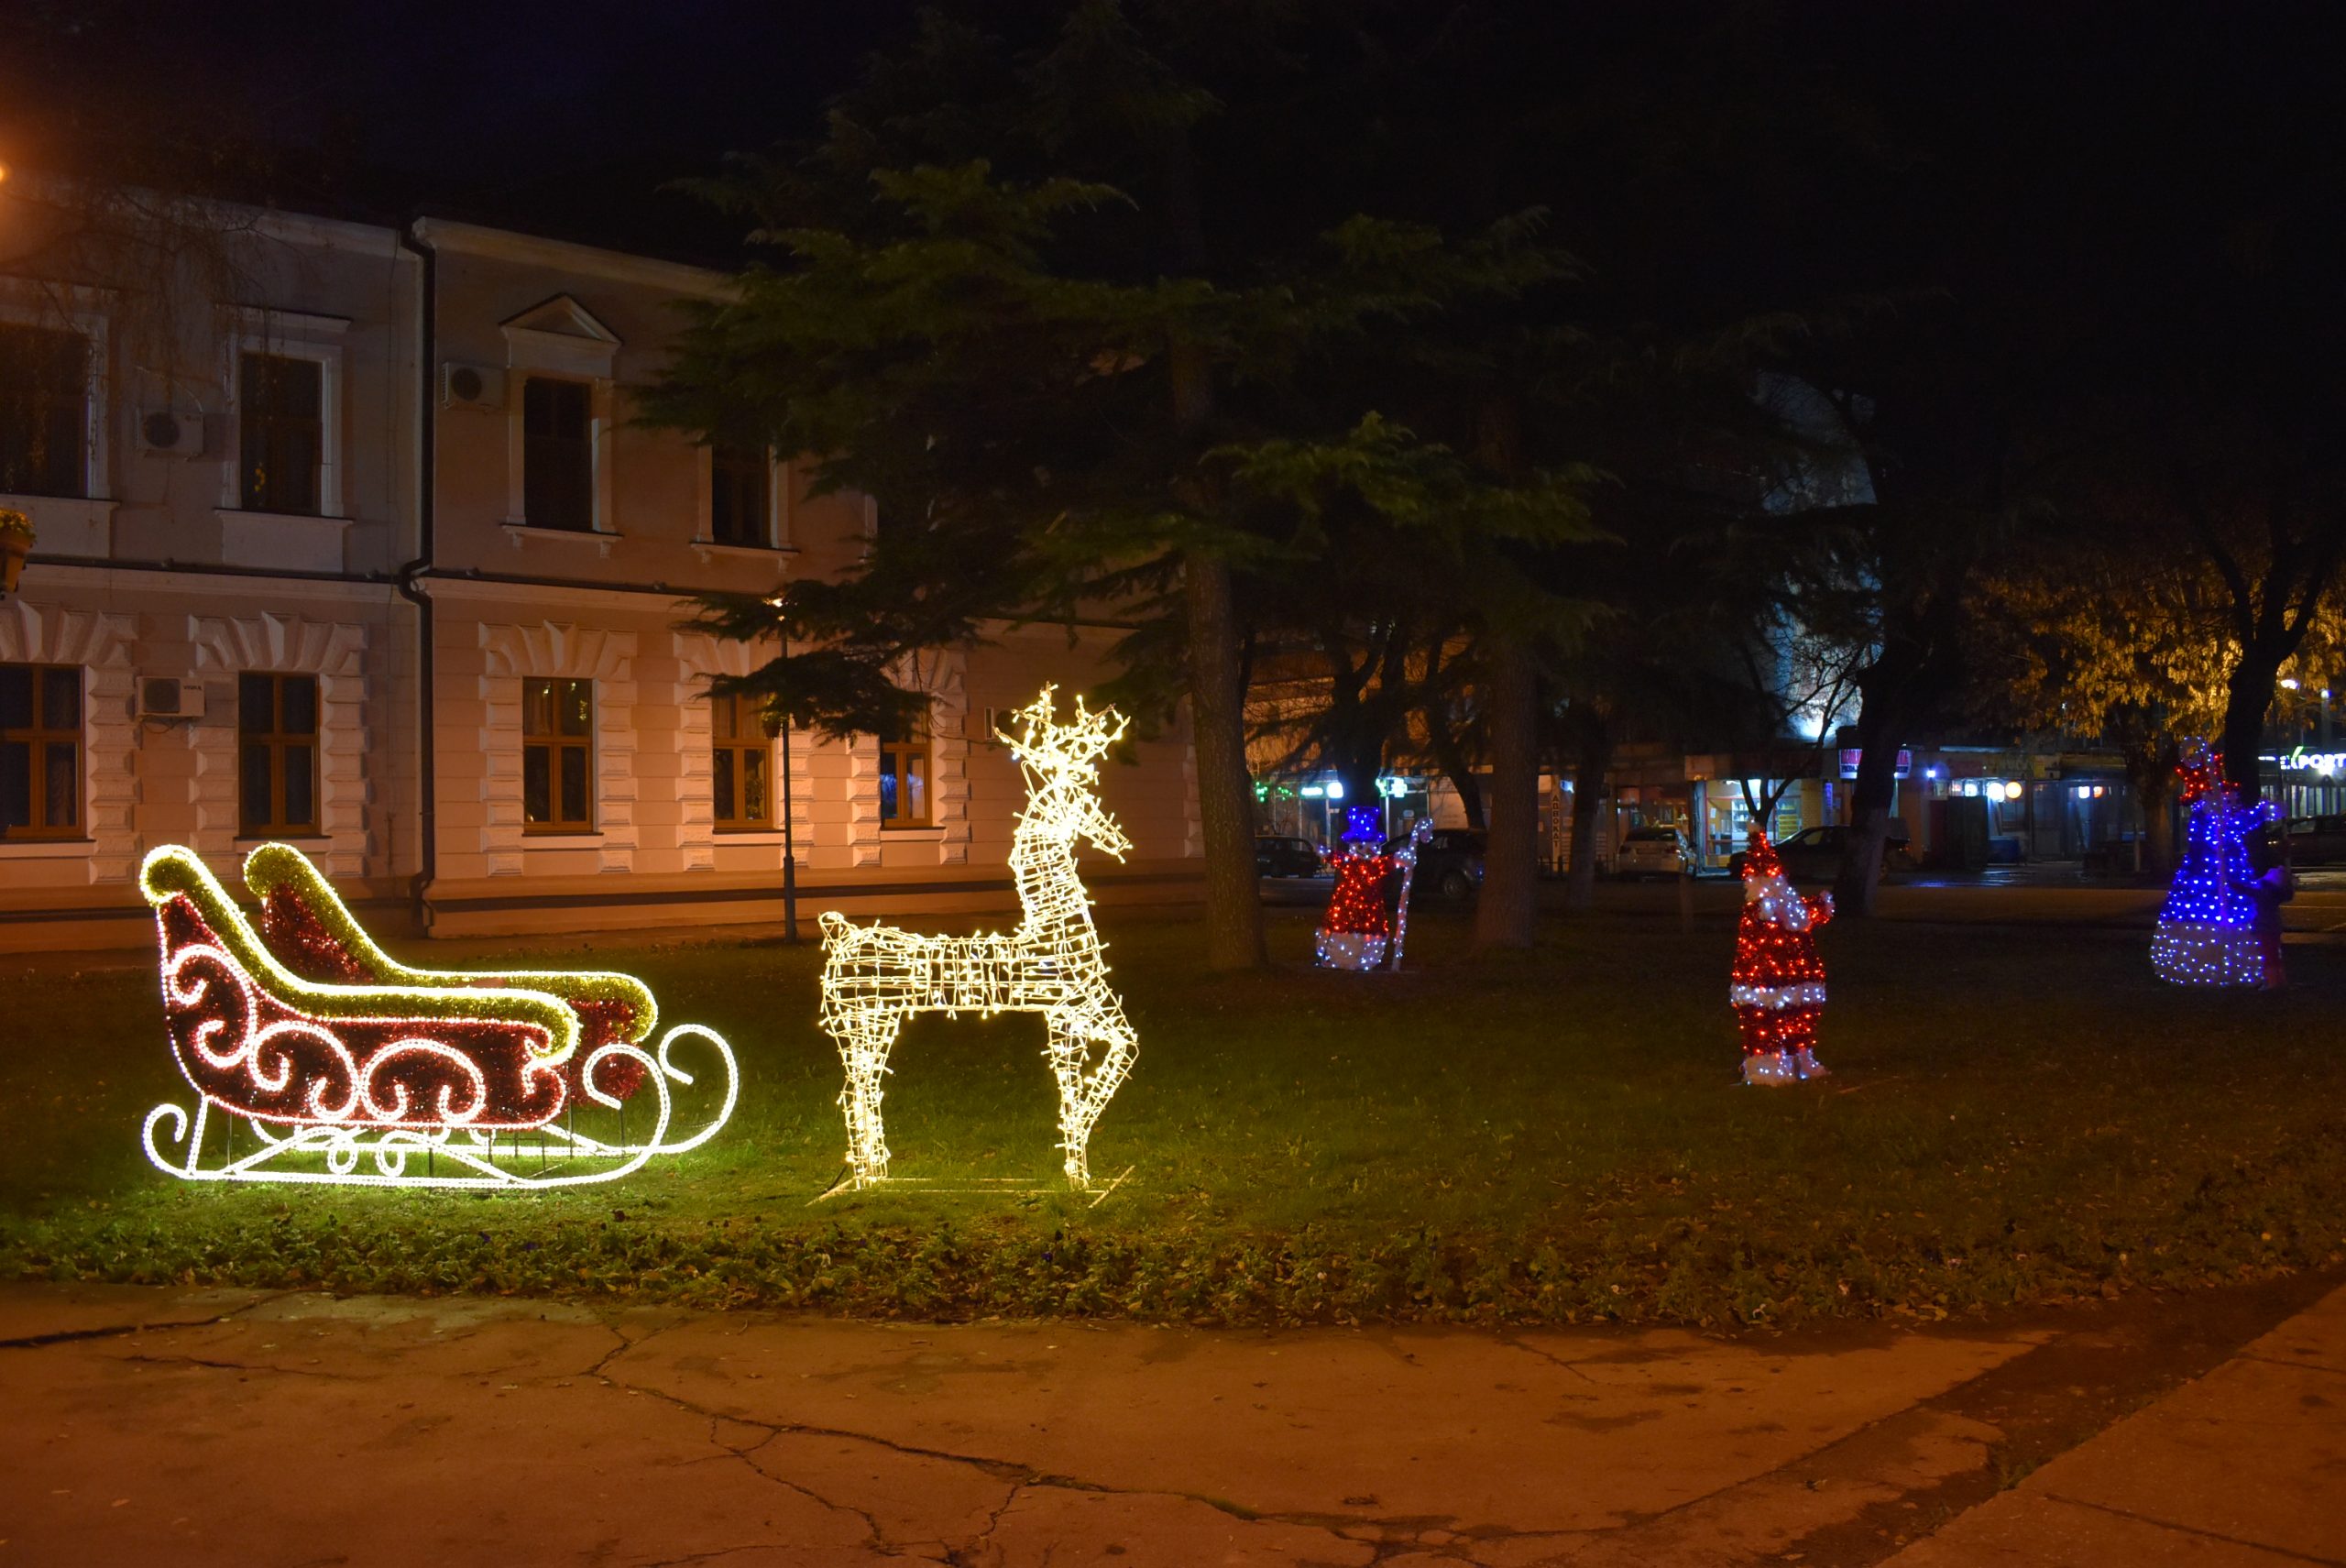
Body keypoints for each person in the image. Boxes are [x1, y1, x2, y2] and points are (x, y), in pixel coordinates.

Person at [1731, 828, 1834, 1085]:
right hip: (1767, 986)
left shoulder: (1787, 905)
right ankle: (1770, 1064)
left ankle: (1799, 1057)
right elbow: (1787, 922)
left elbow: (1802, 915)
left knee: (1798, 1022)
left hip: (1798, 981)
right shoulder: (1760, 911)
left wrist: (1820, 906)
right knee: (1769, 1025)